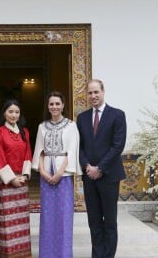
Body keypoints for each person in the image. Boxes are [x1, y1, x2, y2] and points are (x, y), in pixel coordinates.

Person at [76, 79, 127, 258]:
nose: (93, 96)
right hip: (89, 177)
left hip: (109, 176)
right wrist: (88, 167)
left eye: (96, 92)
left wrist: (100, 168)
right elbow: (79, 147)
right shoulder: (81, 118)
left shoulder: (117, 115)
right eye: (90, 93)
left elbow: (117, 145)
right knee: (94, 222)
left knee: (110, 222)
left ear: (103, 92)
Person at [32, 91, 82, 258]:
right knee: (47, 217)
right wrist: (44, 173)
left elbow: (72, 152)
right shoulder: (42, 126)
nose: (54, 107)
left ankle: (63, 254)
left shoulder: (71, 126)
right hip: (46, 175)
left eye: (57, 104)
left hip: (64, 175)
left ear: (63, 105)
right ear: (48, 106)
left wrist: (59, 173)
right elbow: (39, 151)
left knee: (63, 217)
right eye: (51, 104)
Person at [0, 99, 32, 258]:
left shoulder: (25, 132)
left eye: (16, 112)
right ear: (4, 113)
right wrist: (11, 179)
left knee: (21, 223)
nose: (13, 115)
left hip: (22, 182)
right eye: (10, 112)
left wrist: (25, 175)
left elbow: (28, 153)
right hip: (6, 183)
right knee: (7, 223)